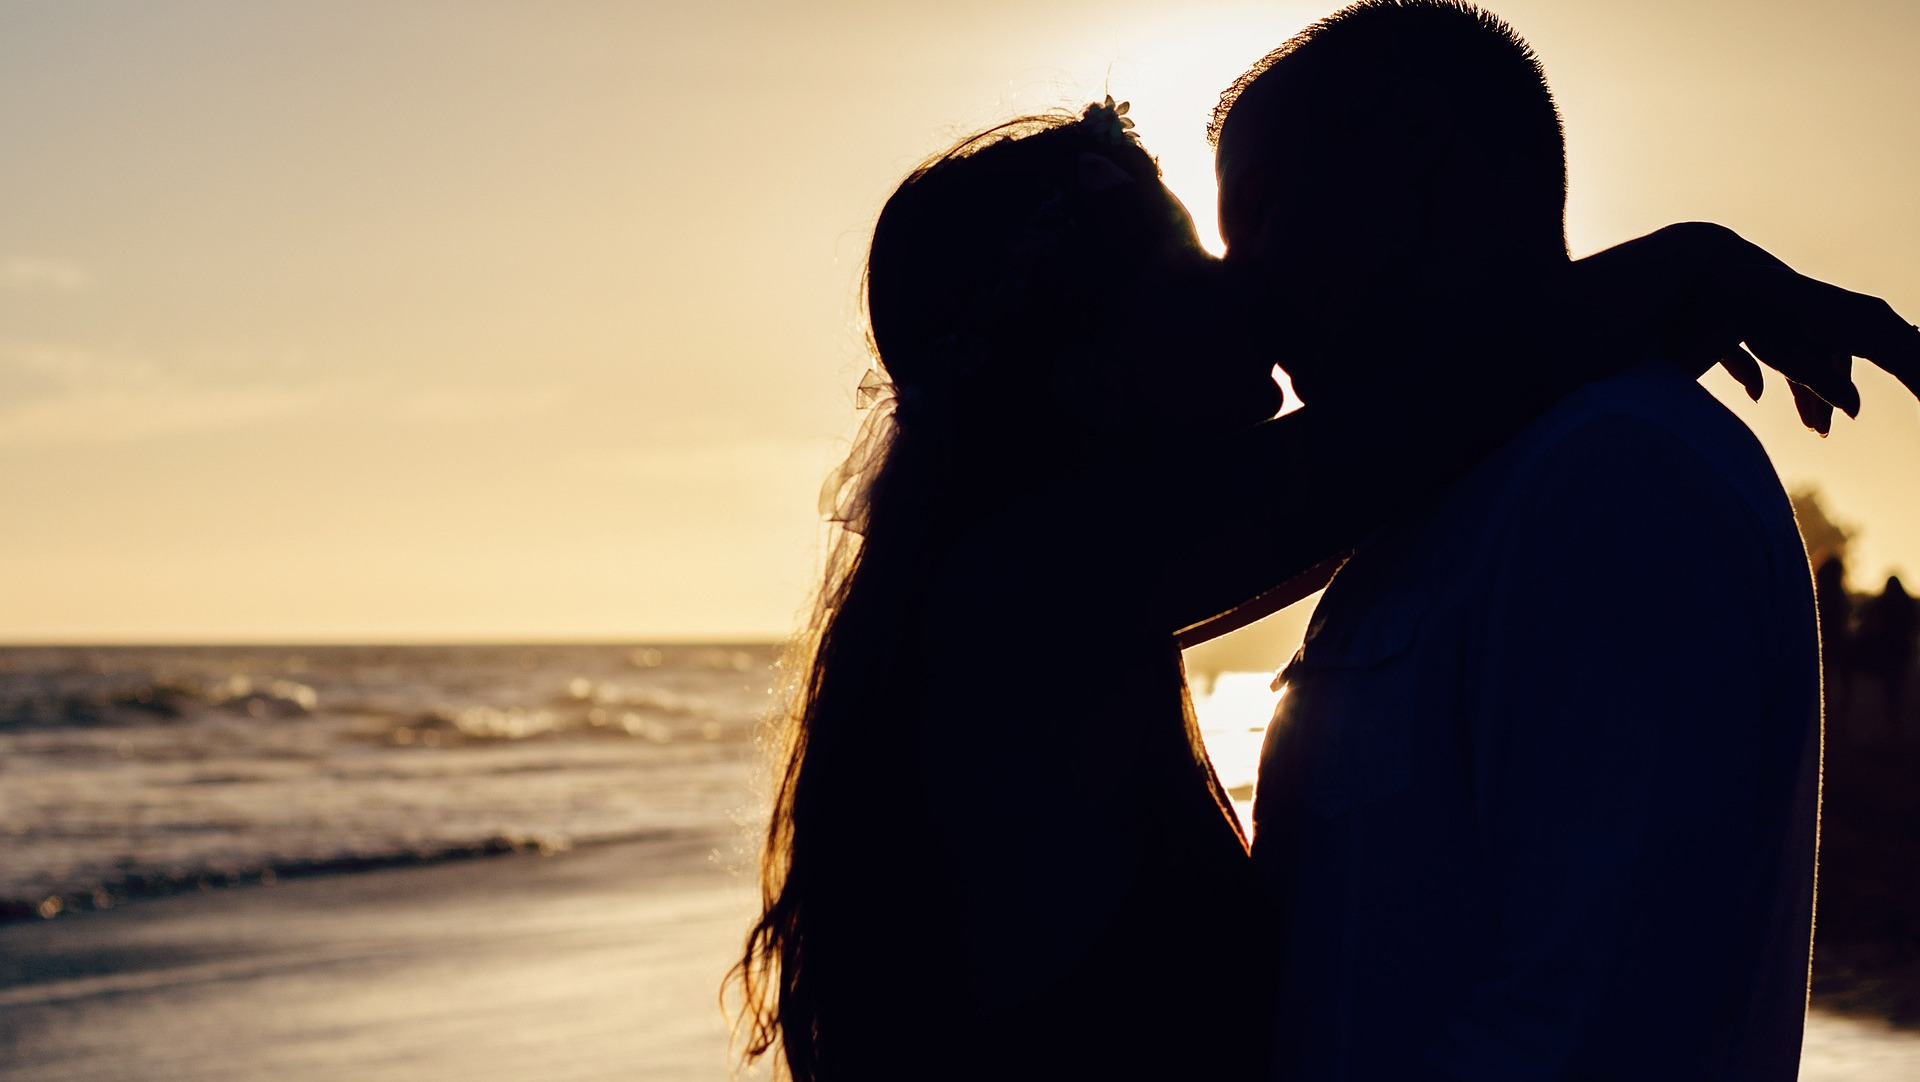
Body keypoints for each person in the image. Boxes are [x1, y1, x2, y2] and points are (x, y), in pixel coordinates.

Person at [730, 100, 1912, 1082]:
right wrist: (1688, 260)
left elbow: (1402, 456)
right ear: (1093, 379)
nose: (1248, 289)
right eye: (1192, 270)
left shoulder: (1026, 587)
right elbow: (1411, 424)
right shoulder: (1033, 585)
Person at [1208, 2, 1918, 1078]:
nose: (1246, 292)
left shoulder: (1610, 478)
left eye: (1261, 212)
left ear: (1410, 140)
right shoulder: (1438, 494)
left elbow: (1583, 1032)